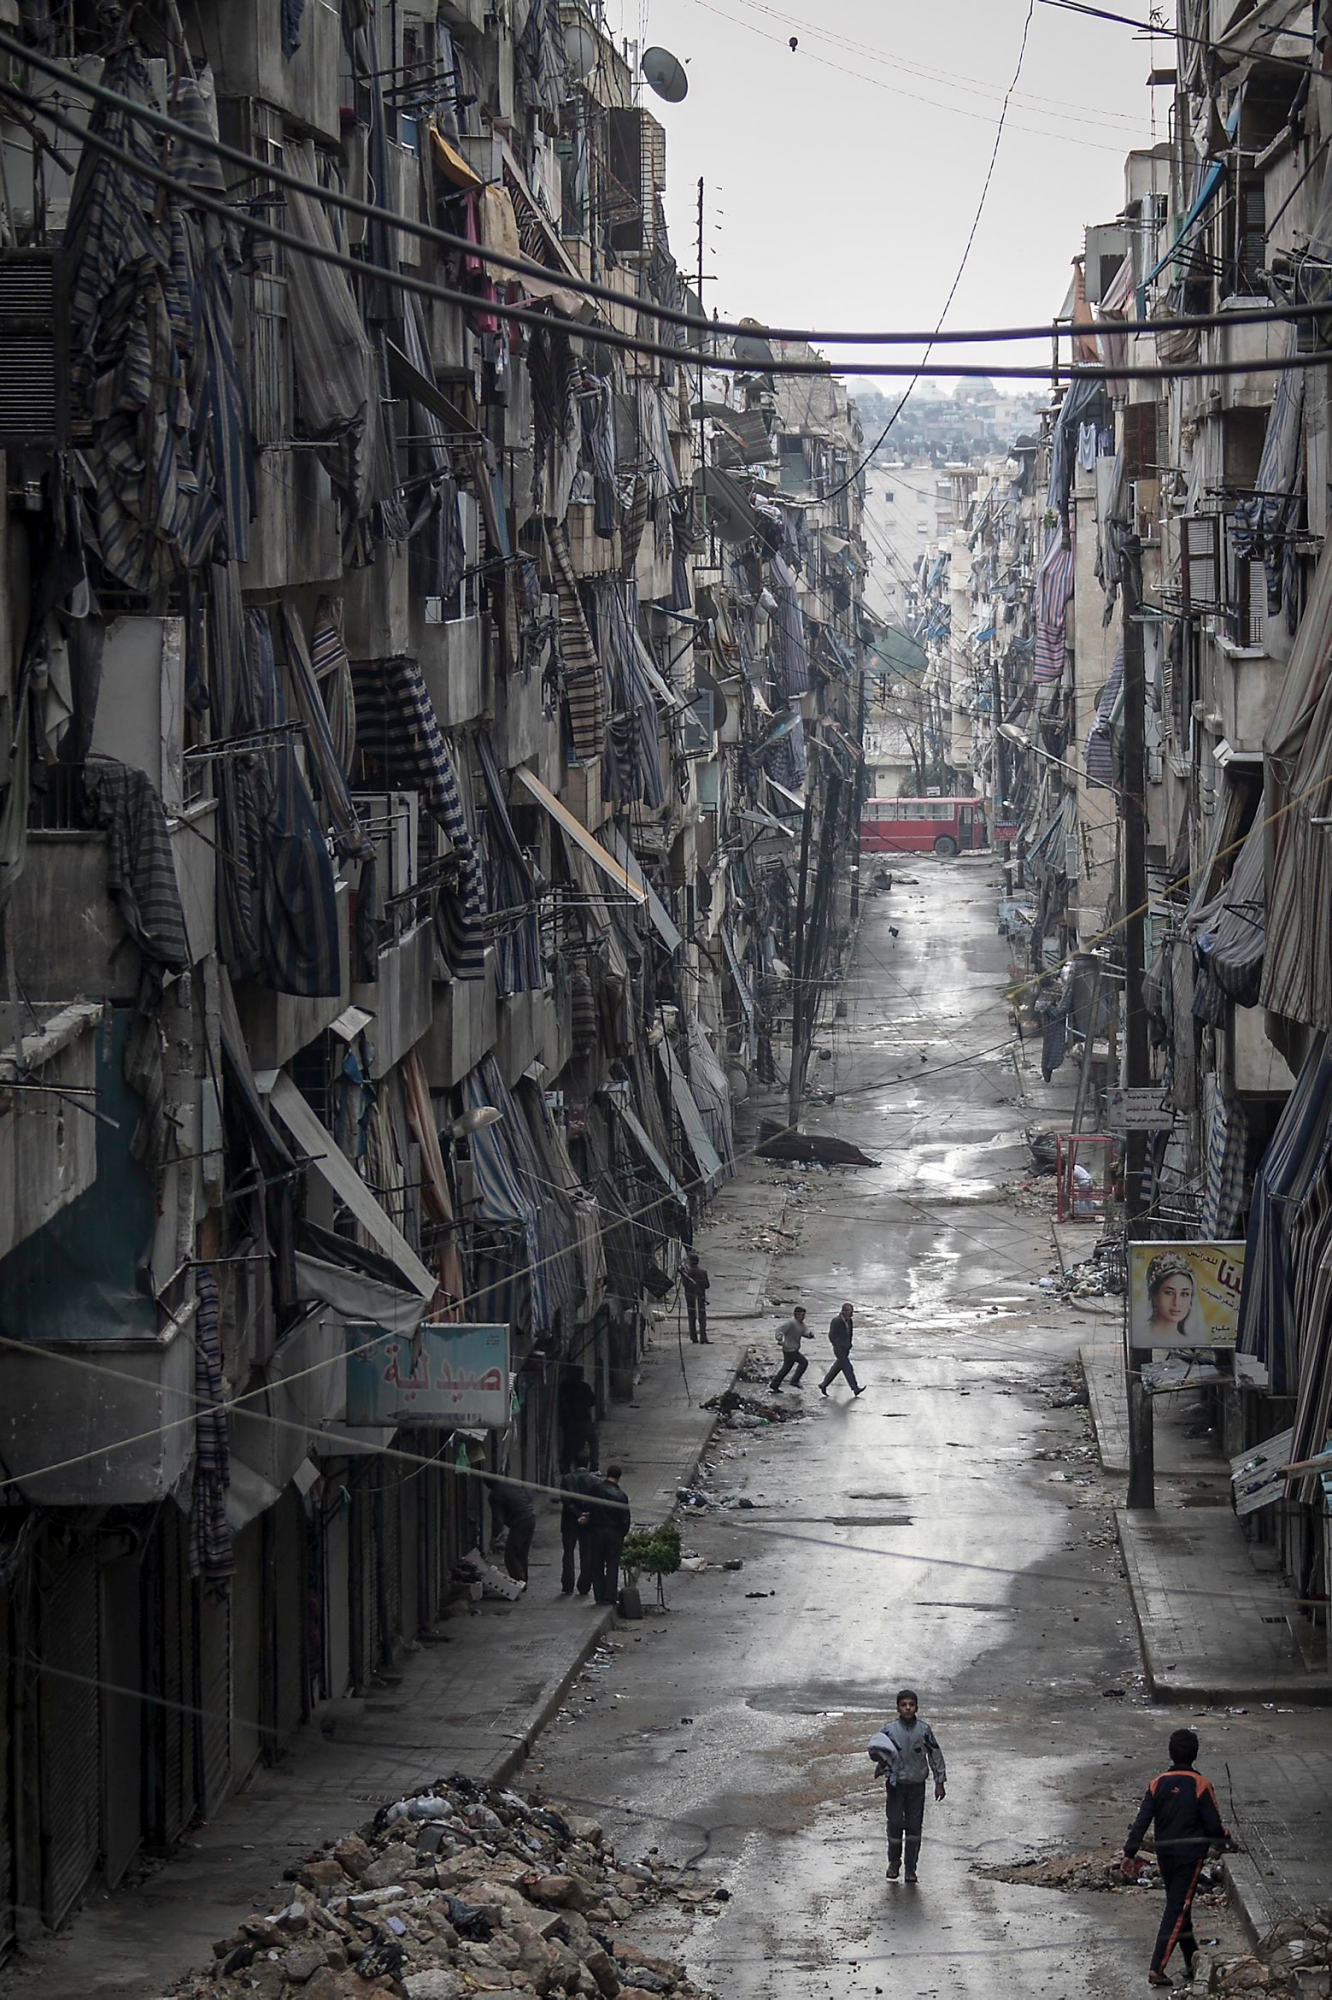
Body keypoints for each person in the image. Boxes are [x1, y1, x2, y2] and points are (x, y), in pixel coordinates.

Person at [1123, 1728, 1232, 1987]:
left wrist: (1129, 1853)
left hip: (1165, 1855)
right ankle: (1156, 1968)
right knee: (1177, 1908)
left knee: (1181, 1906)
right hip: (1190, 1856)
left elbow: (1141, 1822)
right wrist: (1226, 1837)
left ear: (1170, 1753)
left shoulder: (1156, 1783)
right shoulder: (1201, 1785)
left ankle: (1191, 1961)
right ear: (1195, 1754)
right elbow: (1213, 1825)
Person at [867, 1689, 946, 1883]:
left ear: (916, 1707)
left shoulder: (924, 1730)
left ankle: (911, 1869)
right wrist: (881, 1761)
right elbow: (878, 1750)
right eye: (904, 1705)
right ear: (898, 1708)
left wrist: (939, 1782)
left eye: (911, 1704)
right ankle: (894, 1862)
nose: (908, 1708)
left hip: (917, 1786)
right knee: (894, 1824)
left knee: (913, 1828)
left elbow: (935, 1755)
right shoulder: (889, 1730)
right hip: (896, 1785)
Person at [582, 1463, 631, 1606]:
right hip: (614, 1534)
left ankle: (599, 1594)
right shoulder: (621, 1496)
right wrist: (622, 1534)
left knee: (597, 1563)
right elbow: (625, 1519)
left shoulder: (595, 1490)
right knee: (612, 1564)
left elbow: (586, 1506)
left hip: (596, 1532)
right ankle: (609, 1596)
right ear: (619, 1477)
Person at [486, 1470, 536, 1586]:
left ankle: (518, 1582)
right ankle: (523, 1582)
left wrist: (494, 1536)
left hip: (519, 1522)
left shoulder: (495, 1495)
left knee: (510, 1555)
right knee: (522, 1553)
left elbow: (497, 1519)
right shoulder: (511, 1484)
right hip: (530, 1517)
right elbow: (528, 1496)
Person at [559, 1453, 595, 1597]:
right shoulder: (595, 1480)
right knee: (586, 1553)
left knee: (568, 1552)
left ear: (574, 1464)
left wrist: (576, 1514)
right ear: (587, 1464)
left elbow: (565, 1500)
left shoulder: (567, 1479)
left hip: (569, 1521)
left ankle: (568, 1585)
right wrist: (585, 1515)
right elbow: (595, 1501)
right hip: (587, 1522)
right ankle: (584, 1585)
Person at [1144, 1254, 1197, 1343]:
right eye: (1169, 1293)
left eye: (1184, 1294)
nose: (1176, 1302)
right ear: (1154, 1295)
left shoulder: (1187, 1341)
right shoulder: (1142, 1335)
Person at [558, 1361, 599, 1472]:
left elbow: (561, 1404)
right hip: (584, 1420)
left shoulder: (563, 1387)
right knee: (593, 1442)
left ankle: (567, 1467)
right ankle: (594, 1466)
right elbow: (593, 1401)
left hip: (569, 1423)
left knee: (571, 1446)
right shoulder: (584, 1386)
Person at [820, 1302, 863, 1397]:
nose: (851, 1314)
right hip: (839, 1349)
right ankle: (855, 1388)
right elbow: (831, 1335)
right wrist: (837, 1346)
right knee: (848, 1368)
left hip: (846, 1348)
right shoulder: (836, 1321)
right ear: (844, 1311)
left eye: (852, 1312)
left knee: (837, 1368)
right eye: (850, 1311)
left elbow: (850, 1333)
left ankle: (823, 1384)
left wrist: (849, 1344)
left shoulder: (849, 1321)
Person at [769, 1306, 813, 1389]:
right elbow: (779, 1329)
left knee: (786, 1368)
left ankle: (774, 1385)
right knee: (803, 1362)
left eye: (804, 1315)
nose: (803, 1317)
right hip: (789, 1350)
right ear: (797, 1315)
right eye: (802, 1315)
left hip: (793, 1349)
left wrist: (810, 1335)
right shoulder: (791, 1323)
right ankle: (794, 1381)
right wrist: (779, 1338)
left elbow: (805, 1332)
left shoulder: (801, 1325)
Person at [682, 1254, 710, 1342]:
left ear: (690, 1262)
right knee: (702, 1317)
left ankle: (693, 1337)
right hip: (700, 1296)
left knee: (691, 1317)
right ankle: (703, 1337)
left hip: (690, 1297)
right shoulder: (703, 1272)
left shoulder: (687, 1273)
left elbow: (684, 1284)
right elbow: (707, 1285)